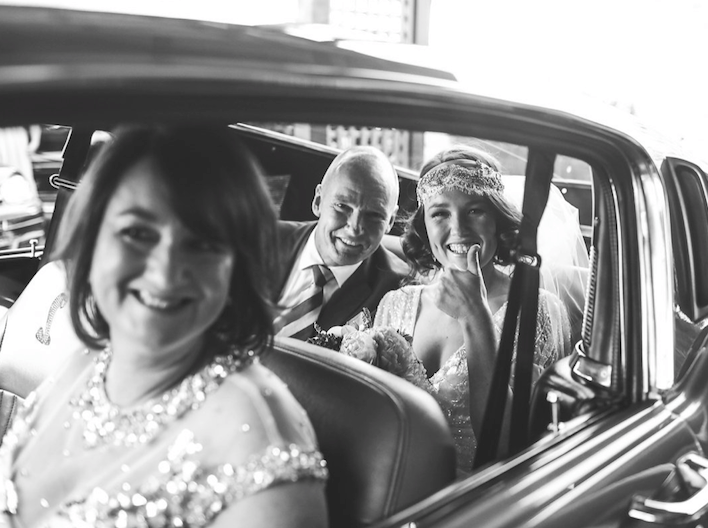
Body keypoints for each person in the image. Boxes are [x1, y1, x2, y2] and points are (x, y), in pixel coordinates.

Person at [0, 126, 329, 527]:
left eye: (202, 243)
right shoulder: (85, 365)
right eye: (137, 233)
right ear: (93, 242)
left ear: (236, 270)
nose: (165, 271)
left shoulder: (261, 447)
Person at [372, 146, 572, 476]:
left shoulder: (538, 311)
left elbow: (509, 446)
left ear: (497, 220)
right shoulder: (396, 303)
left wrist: (475, 315)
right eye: (440, 213)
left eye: (474, 210)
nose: (459, 229)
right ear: (425, 224)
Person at [274, 146, 408, 340]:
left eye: (373, 215)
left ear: (390, 221)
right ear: (318, 201)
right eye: (342, 206)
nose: (355, 227)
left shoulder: (399, 291)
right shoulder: (261, 240)